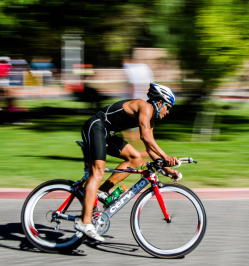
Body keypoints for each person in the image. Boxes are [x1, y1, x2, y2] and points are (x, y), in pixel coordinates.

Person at [74, 83, 180, 242]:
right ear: (159, 102)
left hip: (105, 133)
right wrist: (165, 156)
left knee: (135, 158)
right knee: (97, 172)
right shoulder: (145, 107)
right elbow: (146, 137)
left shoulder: (150, 118)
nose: (168, 111)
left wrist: (165, 168)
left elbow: (149, 147)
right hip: (95, 126)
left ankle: (102, 192)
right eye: (168, 107)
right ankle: (85, 222)